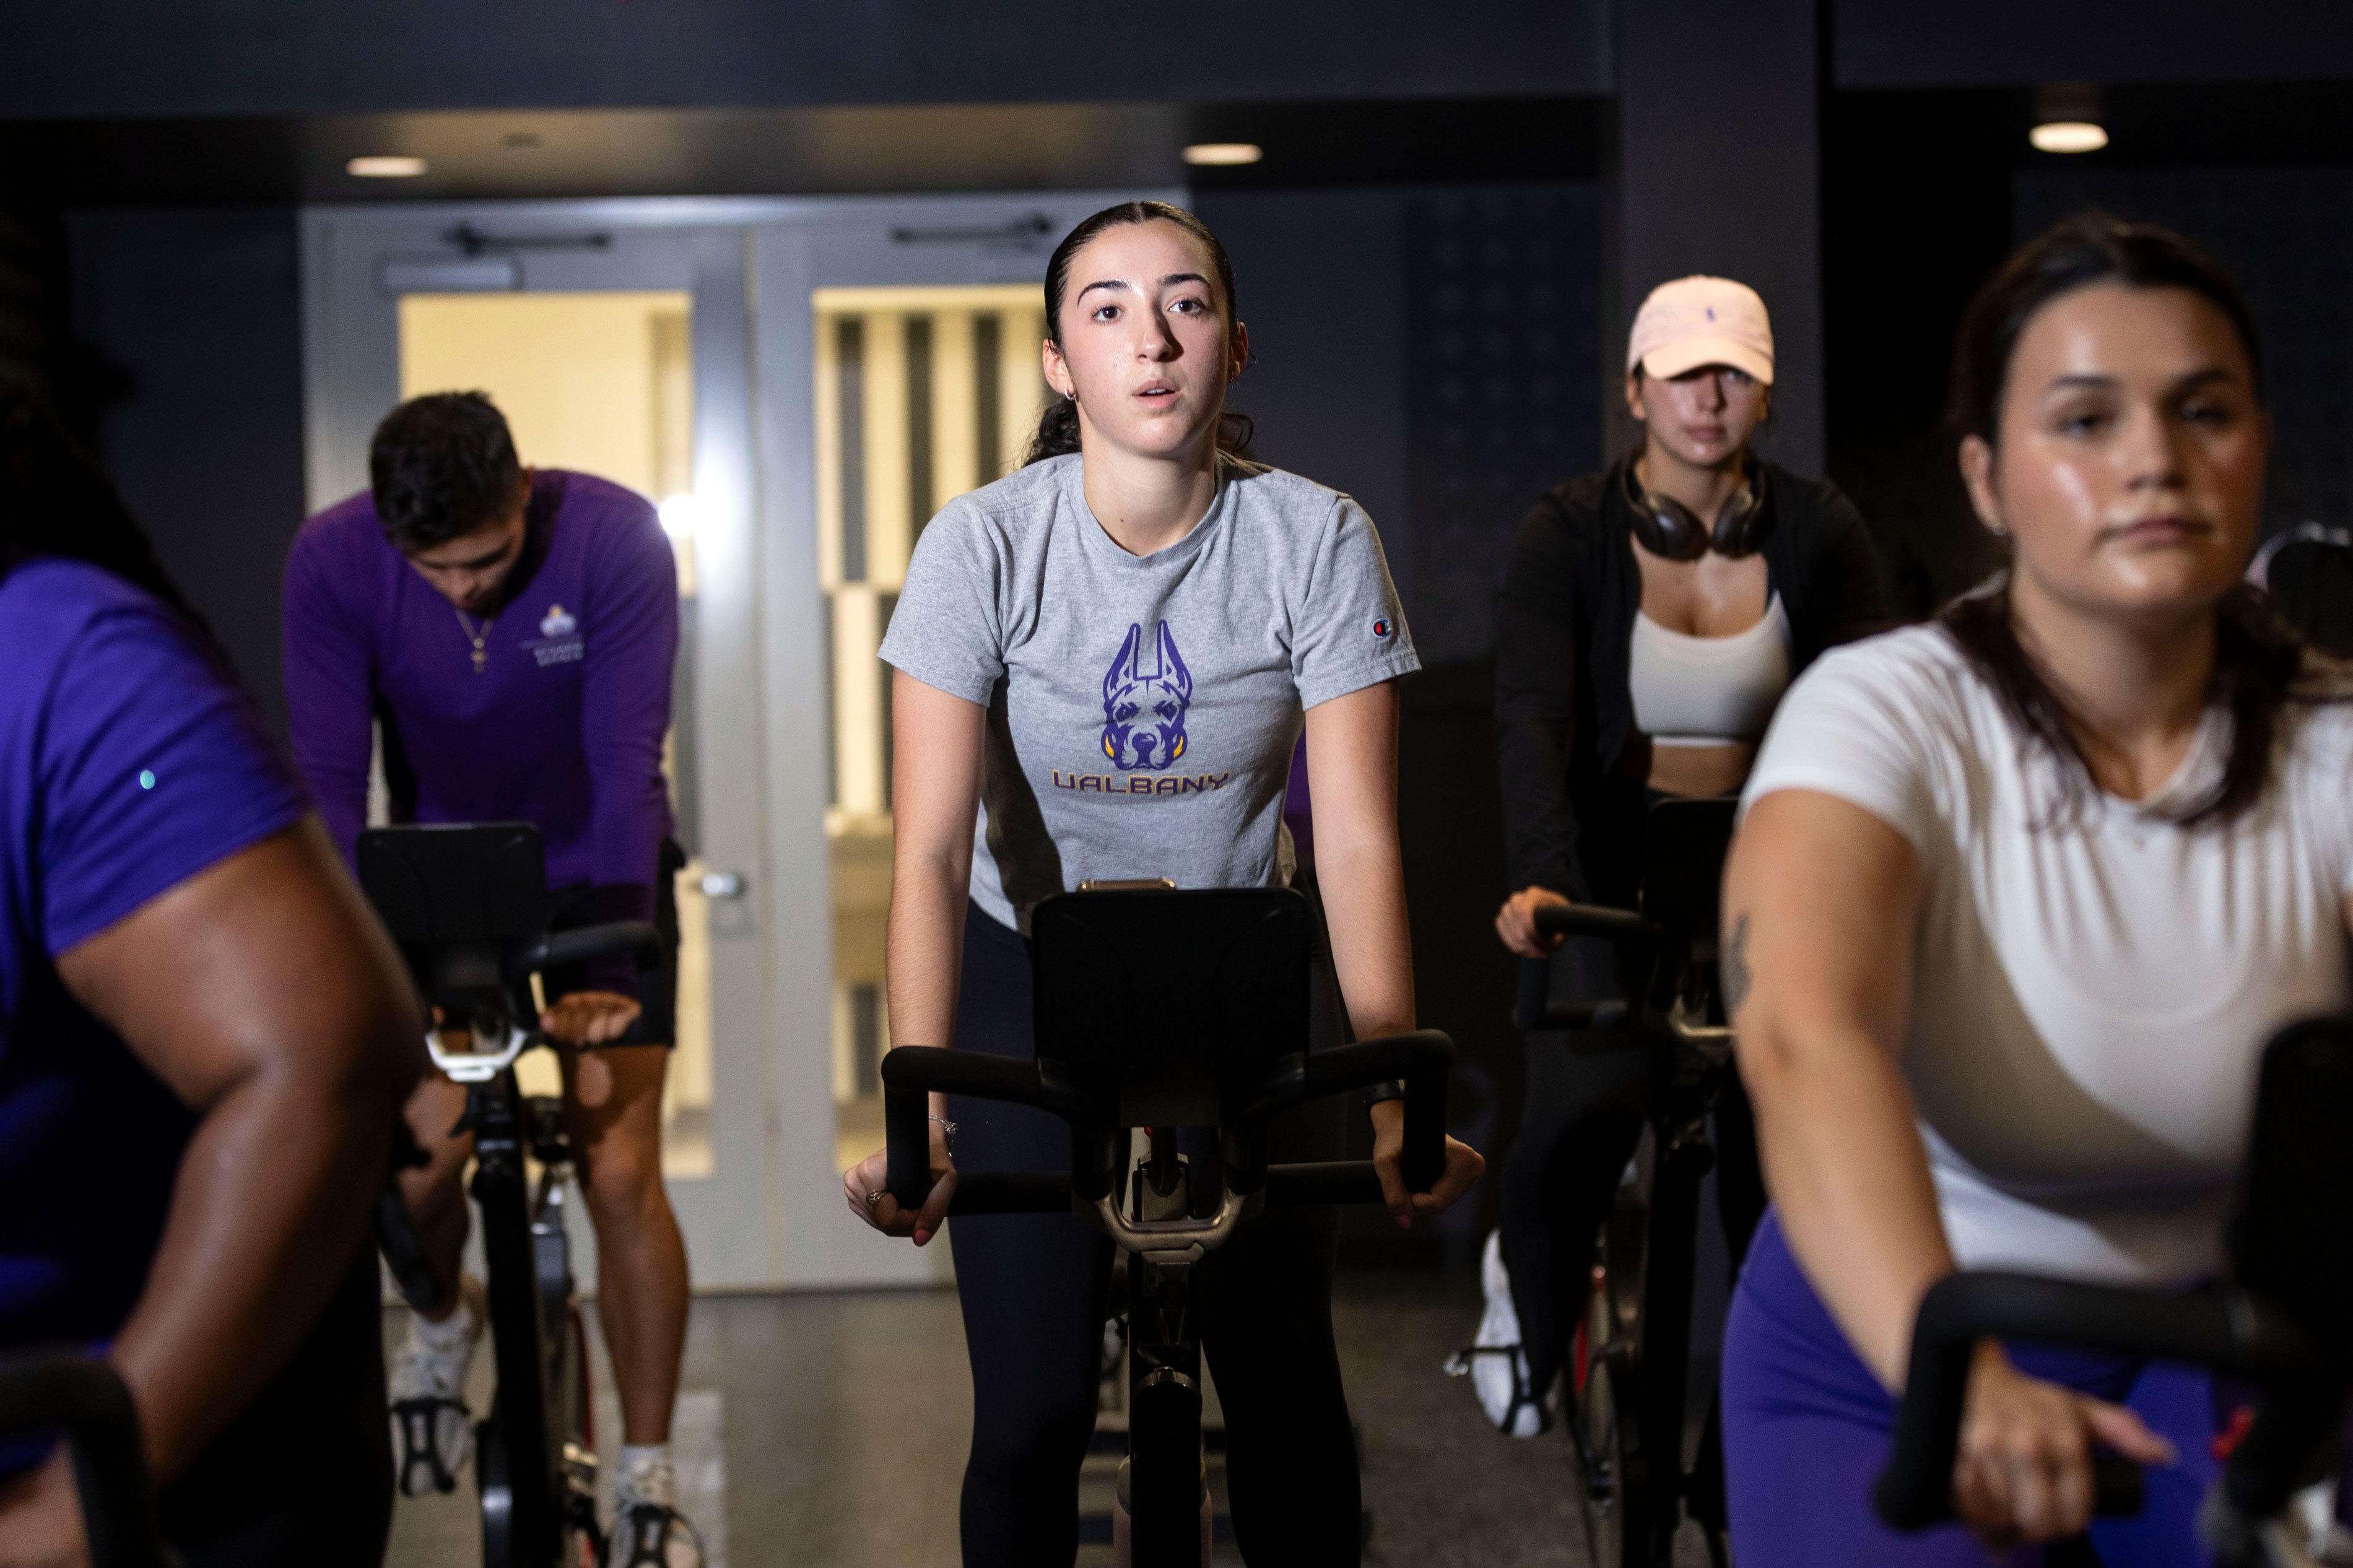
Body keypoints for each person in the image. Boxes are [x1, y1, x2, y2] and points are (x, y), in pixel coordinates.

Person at [838, 200, 1484, 1567]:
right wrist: (929, 1109)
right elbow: (934, 848)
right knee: (1029, 1413)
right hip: (1036, 972)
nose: (1152, 337)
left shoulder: (1312, 536)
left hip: (1241, 969)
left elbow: (1360, 838)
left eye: (1186, 305)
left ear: (1234, 347)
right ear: (1060, 364)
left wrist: (1384, 1097)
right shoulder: (983, 545)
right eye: (1109, 309)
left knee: (1290, 1402)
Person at [1719, 213, 2352, 1564]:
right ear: (1988, 479)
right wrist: (1948, 1373)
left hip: (2225, 1334)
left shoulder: (2329, 743)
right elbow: (1800, 1031)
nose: (2152, 460)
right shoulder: (1888, 710)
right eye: (2083, 419)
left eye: (2203, 410)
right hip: (1891, 1334)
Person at [0, 384, 424, 1567]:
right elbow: (333, 775)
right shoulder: (334, 560)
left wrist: (73, 1513)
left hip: (137, 1455)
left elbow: (326, 1054)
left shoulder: (63, 668)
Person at [282, 392, 702, 1565]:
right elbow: (324, 778)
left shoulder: (613, 537)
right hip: (435, 888)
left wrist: (613, 962)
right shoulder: (332, 559)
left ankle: (645, 1476)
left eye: (486, 562)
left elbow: (629, 760)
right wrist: (354, 966)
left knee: (619, 1170)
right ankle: (443, 1319)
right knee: (411, 1177)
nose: (463, 589)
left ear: (525, 494)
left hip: (594, 877)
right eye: (436, 570)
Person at [1475, 275, 1889, 1434]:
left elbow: (1877, 708)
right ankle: (1528, 1290)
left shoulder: (1819, 527)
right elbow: (1532, 722)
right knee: (1579, 1114)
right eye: (1684, 371)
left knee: (1786, 1149)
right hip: (1610, 881)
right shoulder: (1567, 534)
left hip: (1773, 878)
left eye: (1735, 373)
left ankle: (1797, 1382)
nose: (1709, 395)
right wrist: (1544, 881)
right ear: (1636, 389)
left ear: (1765, 393)